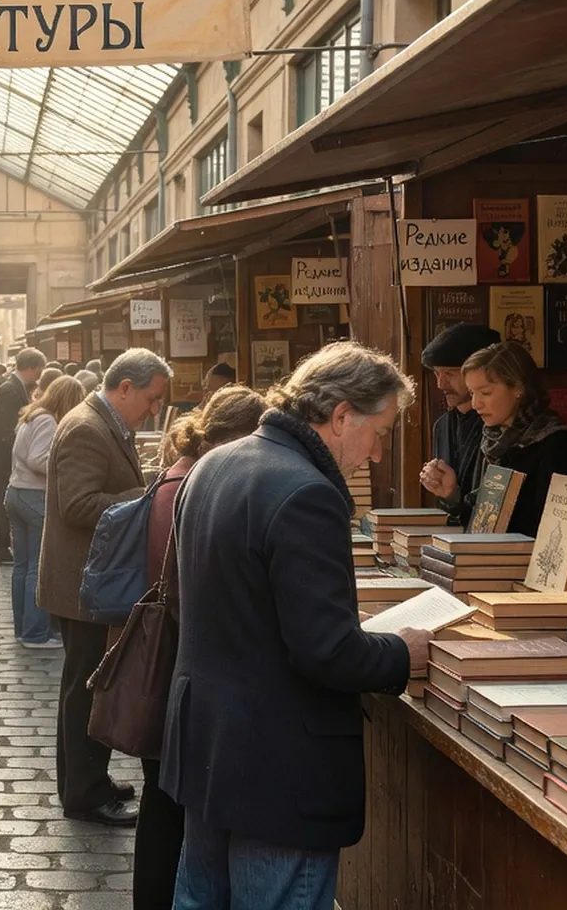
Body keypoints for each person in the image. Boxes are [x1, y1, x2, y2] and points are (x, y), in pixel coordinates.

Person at [162, 342, 429, 909]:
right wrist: (403, 654)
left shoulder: (215, 463)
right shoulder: (308, 491)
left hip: (209, 745)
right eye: (379, 431)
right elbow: (327, 652)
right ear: (339, 416)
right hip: (276, 764)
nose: (379, 452)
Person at [132, 384, 266, 910]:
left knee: (166, 803)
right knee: (169, 807)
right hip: (175, 664)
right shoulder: (195, 483)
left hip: (169, 660)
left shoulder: (183, 474)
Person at [39, 348, 172, 827]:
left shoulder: (102, 421)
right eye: (152, 399)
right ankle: (83, 791)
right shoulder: (86, 427)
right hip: (84, 583)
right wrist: (148, 494)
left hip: (90, 579)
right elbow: (78, 505)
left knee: (85, 684)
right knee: (85, 689)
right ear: (125, 388)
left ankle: (86, 779)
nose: (155, 409)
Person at [437, 342, 567, 536]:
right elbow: (481, 522)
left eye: (485, 393)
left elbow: (562, 529)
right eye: (471, 393)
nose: (476, 404)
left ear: (518, 388)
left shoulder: (559, 445)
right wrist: (452, 494)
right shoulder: (490, 440)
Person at [6, 376, 85, 650]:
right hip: (33, 496)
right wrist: (67, 463)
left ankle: (23, 628)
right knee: (36, 569)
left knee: (22, 566)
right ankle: (35, 633)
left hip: (17, 493)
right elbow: (38, 459)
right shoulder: (47, 420)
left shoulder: (31, 415)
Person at [418, 324, 502, 526]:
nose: (441, 384)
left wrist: (453, 495)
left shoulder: (497, 425)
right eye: (437, 374)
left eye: (450, 374)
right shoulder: (442, 426)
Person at [0, 348, 46, 566]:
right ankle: (1, 548)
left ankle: (4, 548)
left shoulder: (15, 388)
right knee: (2, 504)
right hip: (6, 461)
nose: (40, 375)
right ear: (32, 368)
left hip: (10, 460)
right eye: (39, 370)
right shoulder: (10, 390)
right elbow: (6, 430)